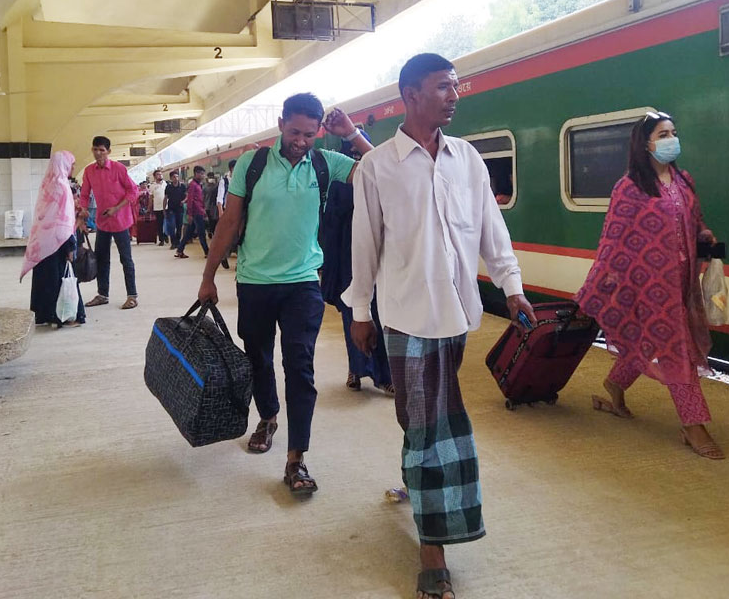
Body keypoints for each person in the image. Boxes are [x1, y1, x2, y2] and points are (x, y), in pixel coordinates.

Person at [343, 53, 534, 599]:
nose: (454, 95)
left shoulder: (467, 159)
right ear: (411, 94)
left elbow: (491, 230)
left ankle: (414, 477)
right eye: (443, 87)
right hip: (406, 314)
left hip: (457, 314)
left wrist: (511, 284)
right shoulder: (377, 166)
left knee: (423, 416)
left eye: (456, 86)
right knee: (433, 426)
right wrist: (359, 312)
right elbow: (366, 245)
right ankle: (433, 552)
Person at [198, 94, 371, 497]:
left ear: (319, 132)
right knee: (258, 357)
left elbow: (385, 169)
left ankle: (296, 458)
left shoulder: (328, 162)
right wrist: (209, 276)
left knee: (300, 366)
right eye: (294, 132)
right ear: (280, 124)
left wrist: (352, 134)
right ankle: (269, 416)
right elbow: (230, 219)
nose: (300, 141)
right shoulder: (252, 163)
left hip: (302, 282)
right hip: (255, 280)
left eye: (310, 134)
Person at [575, 110, 724, 460]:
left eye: (673, 132)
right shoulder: (629, 188)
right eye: (663, 134)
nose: (671, 139)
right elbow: (613, 237)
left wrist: (705, 237)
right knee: (677, 349)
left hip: (683, 282)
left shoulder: (683, 181)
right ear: (646, 144)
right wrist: (602, 280)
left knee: (650, 339)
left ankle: (615, 383)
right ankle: (693, 424)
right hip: (650, 284)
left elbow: (695, 219)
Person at [319, 131, 394, 396]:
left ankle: (385, 376)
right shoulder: (340, 182)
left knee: (381, 316)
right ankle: (356, 369)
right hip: (345, 258)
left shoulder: (378, 179)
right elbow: (328, 224)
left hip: (378, 257)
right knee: (353, 315)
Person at [20, 151, 87, 328]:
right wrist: (70, 246)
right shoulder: (62, 187)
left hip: (43, 241)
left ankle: (44, 315)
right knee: (62, 278)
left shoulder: (47, 184)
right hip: (58, 242)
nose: (73, 167)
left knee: (44, 279)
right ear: (63, 165)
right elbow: (62, 221)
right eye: (71, 164)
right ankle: (64, 317)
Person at [80, 135, 140, 310]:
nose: (98, 153)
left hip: (121, 221)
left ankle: (132, 295)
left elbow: (133, 191)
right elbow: (84, 194)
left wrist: (116, 208)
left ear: (109, 151)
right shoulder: (89, 171)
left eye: (102, 150)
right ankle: (102, 294)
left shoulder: (118, 169)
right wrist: (83, 210)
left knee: (126, 259)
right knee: (101, 259)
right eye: (95, 149)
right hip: (103, 222)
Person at [176, 165, 209, 258]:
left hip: (199, 211)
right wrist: (190, 214)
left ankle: (180, 250)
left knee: (188, 233)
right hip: (196, 212)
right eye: (202, 174)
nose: (203, 176)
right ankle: (207, 252)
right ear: (196, 174)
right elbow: (190, 200)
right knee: (201, 232)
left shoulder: (198, 184)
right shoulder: (193, 185)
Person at [216, 159, 237, 270]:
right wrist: (221, 212)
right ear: (231, 169)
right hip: (228, 211)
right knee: (229, 236)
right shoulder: (224, 181)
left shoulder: (241, 179)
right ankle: (223, 255)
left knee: (240, 236)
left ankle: (240, 263)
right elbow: (219, 198)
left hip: (240, 211)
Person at [164, 170, 187, 251]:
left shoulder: (182, 186)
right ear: (171, 178)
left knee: (179, 226)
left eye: (177, 176)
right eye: (174, 177)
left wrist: (183, 201)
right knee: (172, 226)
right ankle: (173, 242)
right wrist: (164, 209)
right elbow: (166, 198)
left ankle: (177, 242)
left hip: (180, 209)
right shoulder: (168, 187)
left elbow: (187, 196)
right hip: (171, 209)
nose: (176, 178)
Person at [150, 169, 168, 245]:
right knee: (159, 224)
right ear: (154, 176)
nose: (160, 175)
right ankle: (161, 239)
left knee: (167, 223)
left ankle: (166, 235)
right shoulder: (152, 186)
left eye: (161, 174)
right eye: (158, 174)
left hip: (167, 206)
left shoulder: (166, 184)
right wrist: (149, 207)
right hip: (157, 207)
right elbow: (151, 197)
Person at [203, 173, 220, 237]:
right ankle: (210, 231)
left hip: (214, 206)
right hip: (207, 206)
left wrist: (216, 180)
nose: (211, 179)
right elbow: (203, 197)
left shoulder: (216, 186)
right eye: (209, 177)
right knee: (210, 220)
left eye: (212, 177)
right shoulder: (205, 187)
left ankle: (213, 231)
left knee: (215, 220)